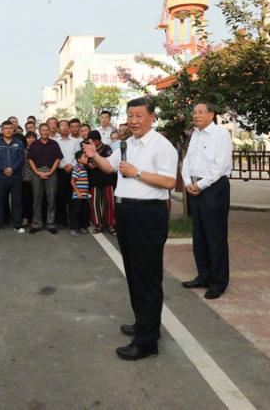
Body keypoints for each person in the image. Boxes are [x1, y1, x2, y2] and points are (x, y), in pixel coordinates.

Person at [82, 97, 179, 360]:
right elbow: (110, 167)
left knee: (147, 275)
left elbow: (170, 181)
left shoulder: (162, 146)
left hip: (148, 213)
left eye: (139, 116)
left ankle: (147, 341)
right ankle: (143, 323)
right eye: (130, 115)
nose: (133, 121)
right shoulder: (127, 144)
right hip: (125, 212)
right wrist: (94, 157)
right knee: (134, 272)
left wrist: (137, 173)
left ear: (152, 118)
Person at [181, 101, 233, 300]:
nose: (196, 115)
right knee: (199, 235)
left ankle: (218, 282)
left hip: (214, 189)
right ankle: (204, 275)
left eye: (200, 112)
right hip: (195, 188)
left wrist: (199, 185)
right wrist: (187, 182)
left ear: (212, 114)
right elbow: (188, 161)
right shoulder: (196, 133)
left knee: (215, 236)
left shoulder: (220, 135)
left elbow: (219, 167)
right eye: (194, 112)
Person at [0, 121, 26, 234]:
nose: (8, 130)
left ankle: (17, 224)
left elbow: (21, 158)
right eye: (6, 128)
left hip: (15, 176)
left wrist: (12, 169)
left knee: (17, 201)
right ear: (2, 130)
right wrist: (4, 168)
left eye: (10, 128)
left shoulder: (19, 143)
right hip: (1, 176)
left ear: (13, 129)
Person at [27, 123, 62, 234]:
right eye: (43, 130)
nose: (45, 132)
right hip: (37, 172)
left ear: (49, 131)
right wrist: (37, 172)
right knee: (37, 199)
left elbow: (58, 159)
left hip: (51, 172)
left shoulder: (54, 144)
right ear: (40, 131)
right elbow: (30, 159)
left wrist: (51, 171)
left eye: (47, 130)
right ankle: (36, 224)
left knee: (51, 199)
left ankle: (50, 224)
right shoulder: (34, 144)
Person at [87, 130, 116, 235]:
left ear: (99, 140)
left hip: (108, 179)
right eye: (91, 141)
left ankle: (111, 225)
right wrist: (88, 164)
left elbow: (109, 161)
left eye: (95, 141)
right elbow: (86, 161)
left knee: (109, 203)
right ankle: (98, 224)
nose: (93, 143)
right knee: (95, 203)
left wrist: (98, 164)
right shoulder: (88, 148)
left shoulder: (107, 148)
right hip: (94, 180)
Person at [55, 120, 80, 228]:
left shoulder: (75, 141)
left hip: (73, 171)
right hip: (60, 171)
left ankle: (73, 221)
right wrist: (64, 165)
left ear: (69, 128)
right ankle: (62, 221)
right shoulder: (55, 141)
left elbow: (78, 155)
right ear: (58, 129)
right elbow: (55, 157)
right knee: (61, 197)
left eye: (66, 125)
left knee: (73, 197)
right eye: (61, 126)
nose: (64, 128)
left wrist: (72, 165)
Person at [69, 150, 91, 236]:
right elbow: (72, 181)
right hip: (77, 196)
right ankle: (73, 229)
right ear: (79, 159)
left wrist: (87, 194)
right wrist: (77, 192)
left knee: (83, 212)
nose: (87, 158)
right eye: (84, 157)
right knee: (75, 212)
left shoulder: (84, 168)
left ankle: (82, 227)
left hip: (84, 196)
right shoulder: (77, 168)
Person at [22, 131, 38, 226]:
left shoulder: (39, 149)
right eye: (28, 138)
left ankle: (34, 219)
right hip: (24, 178)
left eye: (33, 138)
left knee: (36, 200)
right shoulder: (22, 150)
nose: (31, 140)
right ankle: (25, 218)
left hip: (36, 178)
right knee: (25, 199)